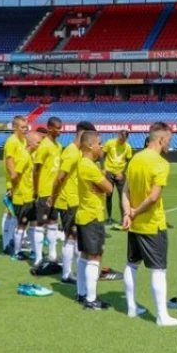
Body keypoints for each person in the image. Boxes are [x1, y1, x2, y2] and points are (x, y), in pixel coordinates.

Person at [121, 123, 177, 327]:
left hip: (134, 225)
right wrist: (135, 211)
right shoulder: (160, 163)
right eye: (169, 140)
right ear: (160, 139)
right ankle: (162, 316)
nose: (169, 144)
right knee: (158, 269)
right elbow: (153, 197)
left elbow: (125, 191)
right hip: (152, 223)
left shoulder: (134, 159)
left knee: (132, 264)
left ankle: (132, 307)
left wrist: (128, 213)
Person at [48, 121, 97, 286]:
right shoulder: (71, 152)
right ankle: (66, 274)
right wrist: (53, 197)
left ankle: (72, 271)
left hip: (75, 199)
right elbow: (60, 177)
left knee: (74, 237)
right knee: (71, 236)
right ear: (81, 133)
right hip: (69, 200)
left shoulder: (76, 152)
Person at [75, 131, 114, 310]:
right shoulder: (89, 166)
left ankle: (82, 293)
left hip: (85, 214)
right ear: (90, 145)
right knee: (94, 257)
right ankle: (91, 299)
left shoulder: (84, 163)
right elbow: (109, 188)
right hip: (92, 216)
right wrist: (102, 176)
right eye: (99, 143)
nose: (102, 146)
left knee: (85, 255)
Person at [33, 116, 63, 266]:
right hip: (44, 191)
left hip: (55, 192)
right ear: (50, 128)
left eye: (60, 127)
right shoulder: (44, 146)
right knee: (40, 224)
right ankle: (38, 257)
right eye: (58, 128)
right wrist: (36, 190)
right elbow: (36, 169)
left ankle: (52, 254)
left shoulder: (58, 146)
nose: (60, 131)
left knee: (53, 223)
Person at [11, 132, 42, 262]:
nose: (39, 145)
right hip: (23, 197)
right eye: (38, 142)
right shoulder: (23, 155)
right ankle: (16, 253)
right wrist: (15, 189)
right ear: (29, 142)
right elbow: (15, 175)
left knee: (34, 223)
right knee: (22, 225)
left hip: (30, 196)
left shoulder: (29, 155)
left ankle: (34, 251)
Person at [2, 115, 28, 255]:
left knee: (16, 213)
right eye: (23, 127)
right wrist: (12, 181)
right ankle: (7, 242)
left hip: (22, 182)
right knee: (10, 211)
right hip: (13, 182)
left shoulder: (22, 141)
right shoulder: (11, 141)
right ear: (15, 128)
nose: (26, 130)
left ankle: (13, 239)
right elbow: (9, 161)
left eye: (26, 127)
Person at [102, 130, 133, 228]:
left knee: (122, 195)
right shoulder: (110, 143)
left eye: (124, 139)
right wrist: (103, 168)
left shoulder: (127, 147)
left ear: (126, 138)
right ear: (118, 135)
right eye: (121, 138)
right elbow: (102, 155)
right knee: (108, 195)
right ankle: (109, 217)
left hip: (120, 174)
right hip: (109, 172)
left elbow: (129, 161)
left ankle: (123, 218)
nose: (121, 140)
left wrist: (122, 173)